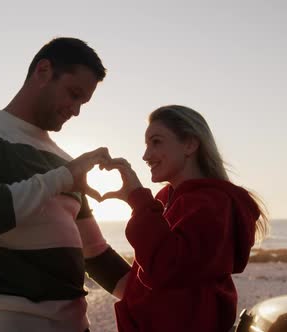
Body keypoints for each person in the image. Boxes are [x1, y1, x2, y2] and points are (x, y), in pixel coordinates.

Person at [0, 37, 131, 332]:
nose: (76, 110)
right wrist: (63, 177)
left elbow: (96, 253)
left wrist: (168, 300)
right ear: (43, 71)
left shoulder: (63, 161)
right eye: (73, 94)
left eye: (83, 102)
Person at [100, 105, 269, 332]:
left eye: (156, 142)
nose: (146, 155)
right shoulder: (165, 198)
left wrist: (139, 201)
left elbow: (165, 269)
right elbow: (145, 277)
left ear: (190, 144)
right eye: (146, 144)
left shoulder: (213, 203)